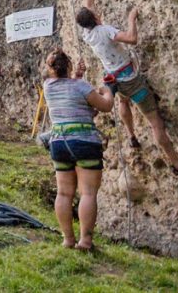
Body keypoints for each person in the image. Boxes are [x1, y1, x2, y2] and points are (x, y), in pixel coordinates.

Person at [77, 0, 178, 176]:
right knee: (155, 122)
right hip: (132, 80)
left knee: (123, 103)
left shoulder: (87, 34)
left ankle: (131, 136)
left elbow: (89, 7)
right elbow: (131, 39)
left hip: (113, 78)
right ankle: (177, 164)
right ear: (96, 18)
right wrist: (132, 19)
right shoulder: (105, 30)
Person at [42, 48, 114, 251]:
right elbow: (105, 106)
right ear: (69, 66)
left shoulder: (48, 87)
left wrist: (77, 76)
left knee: (64, 193)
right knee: (88, 194)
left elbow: (68, 92)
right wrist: (107, 91)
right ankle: (86, 241)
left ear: (50, 69)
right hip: (84, 142)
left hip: (59, 142)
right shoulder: (81, 86)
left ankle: (67, 240)